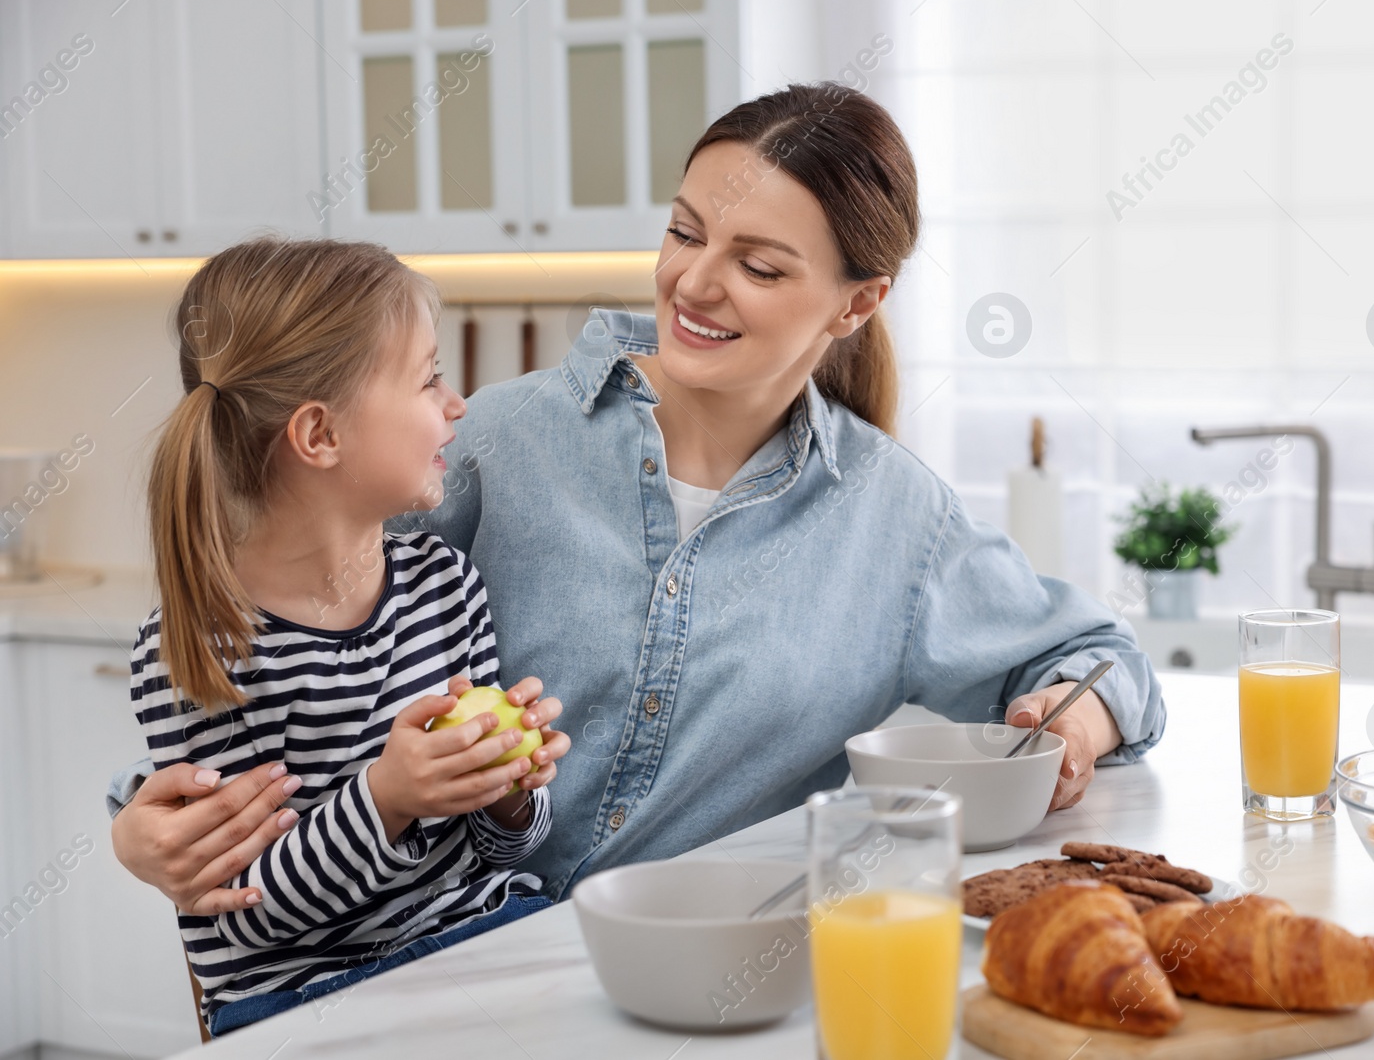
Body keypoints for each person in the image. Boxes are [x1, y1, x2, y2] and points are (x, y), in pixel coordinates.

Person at [109, 83, 1163, 916]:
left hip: (699, 993)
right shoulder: (487, 443)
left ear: (858, 301)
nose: (695, 283)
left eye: (755, 263)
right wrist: (137, 822)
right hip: (449, 971)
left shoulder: (896, 520)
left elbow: (1105, 661)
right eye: (683, 231)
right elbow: (268, 644)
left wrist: (1071, 725)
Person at [127, 238, 569, 1034]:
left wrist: (508, 791)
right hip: (302, 999)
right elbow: (246, 919)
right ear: (319, 436)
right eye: (428, 376)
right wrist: (387, 797)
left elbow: (506, 856)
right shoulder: (200, 649)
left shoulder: (444, 583)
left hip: (477, 940)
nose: (456, 402)